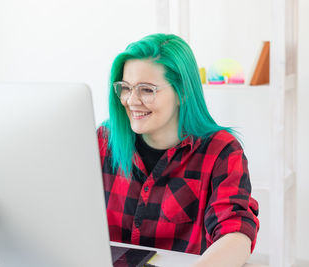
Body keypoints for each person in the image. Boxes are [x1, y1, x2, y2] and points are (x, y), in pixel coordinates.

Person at [97, 33, 259, 267]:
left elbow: (235, 232)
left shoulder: (222, 151)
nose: (131, 100)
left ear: (182, 92)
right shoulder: (104, 140)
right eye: (125, 87)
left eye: (146, 89)